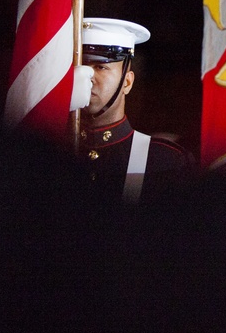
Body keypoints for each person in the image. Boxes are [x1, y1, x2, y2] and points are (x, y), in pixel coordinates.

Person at [77, 17, 193, 204]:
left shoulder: (165, 162)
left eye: (101, 67)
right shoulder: (49, 154)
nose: (88, 76)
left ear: (127, 82)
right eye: (81, 66)